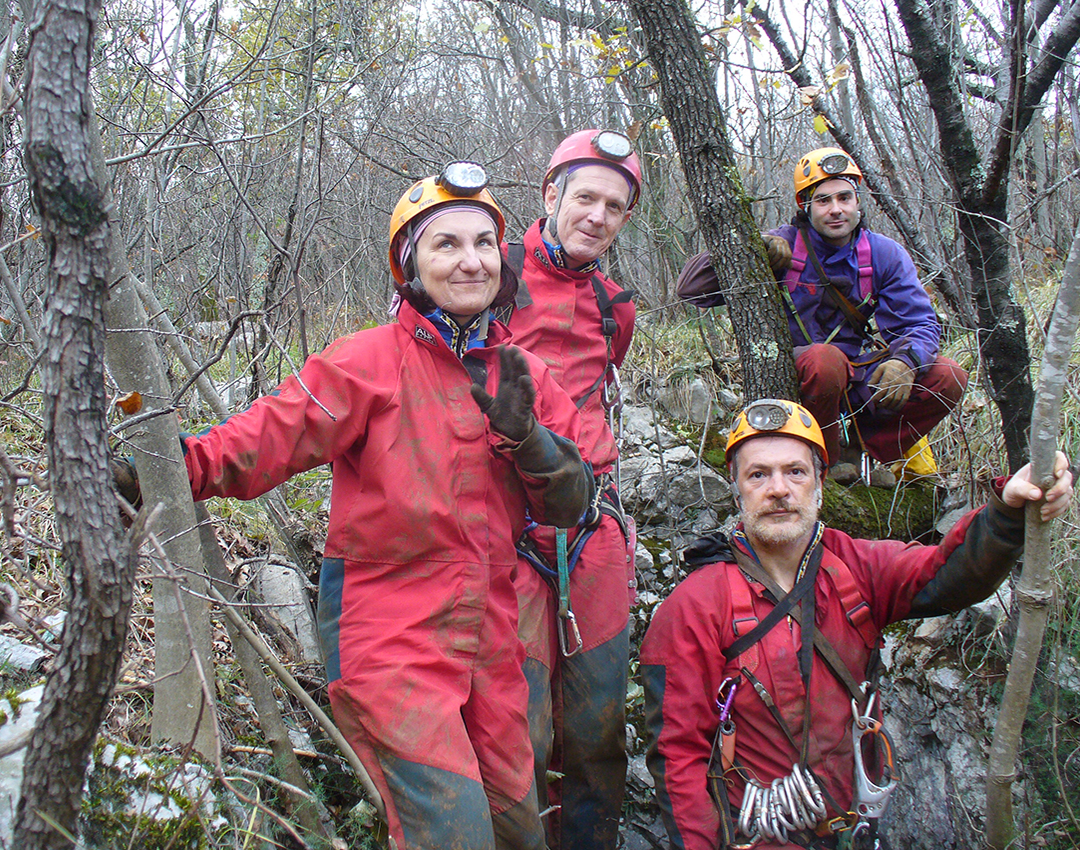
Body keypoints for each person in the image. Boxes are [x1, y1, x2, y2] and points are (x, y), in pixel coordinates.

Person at [134, 164, 596, 850]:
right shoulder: (365, 364)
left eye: (483, 243)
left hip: (494, 636)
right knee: (450, 833)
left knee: (519, 831)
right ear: (410, 262)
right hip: (389, 637)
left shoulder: (526, 375)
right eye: (446, 245)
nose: (470, 260)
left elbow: (571, 507)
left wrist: (529, 440)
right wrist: (156, 471)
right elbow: (261, 443)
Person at [640, 398, 1073, 850]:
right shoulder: (693, 608)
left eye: (795, 471)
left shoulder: (858, 568)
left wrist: (1005, 511)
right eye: (758, 474)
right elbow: (677, 756)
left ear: (819, 482)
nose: (778, 489)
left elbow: (947, 575)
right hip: (757, 837)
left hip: (857, 828)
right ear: (737, 490)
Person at [497, 128, 640, 849]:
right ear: (550, 194)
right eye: (585, 197)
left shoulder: (615, 305)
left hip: (593, 529)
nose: (598, 216)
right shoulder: (485, 272)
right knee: (518, 725)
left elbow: (597, 390)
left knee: (598, 723)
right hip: (509, 526)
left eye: (615, 207)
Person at [676, 147, 968, 482]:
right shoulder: (781, 244)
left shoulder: (883, 254)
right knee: (823, 361)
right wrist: (753, 248)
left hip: (854, 376)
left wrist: (906, 362)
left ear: (858, 201)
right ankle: (819, 466)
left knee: (948, 375)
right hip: (797, 374)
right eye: (823, 200)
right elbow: (690, 289)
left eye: (845, 197)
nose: (836, 210)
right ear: (805, 206)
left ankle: (863, 457)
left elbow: (919, 323)